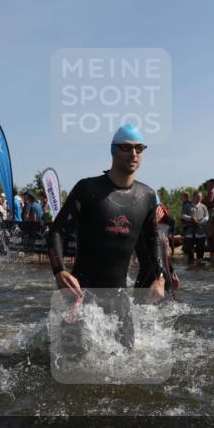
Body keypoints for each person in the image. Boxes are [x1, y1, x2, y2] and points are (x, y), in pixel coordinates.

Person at [47, 124, 165, 350]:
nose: (133, 154)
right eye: (126, 148)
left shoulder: (147, 196)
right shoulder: (88, 189)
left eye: (139, 148)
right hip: (81, 295)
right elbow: (56, 232)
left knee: (126, 361)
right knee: (71, 365)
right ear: (113, 150)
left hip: (119, 297)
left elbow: (152, 240)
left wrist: (159, 278)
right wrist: (59, 270)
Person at [181, 190, 208, 263]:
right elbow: (182, 215)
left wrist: (198, 222)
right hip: (189, 231)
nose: (199, 198)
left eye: (200, 197)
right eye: (198, 196)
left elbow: (206, 217)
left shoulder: (203, 206)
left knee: (200, 253)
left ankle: (199, 267)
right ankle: (190, 268)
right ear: (194, 197)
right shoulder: (187, 206)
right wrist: (191, 218)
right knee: (188, 252)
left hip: (200, 232)